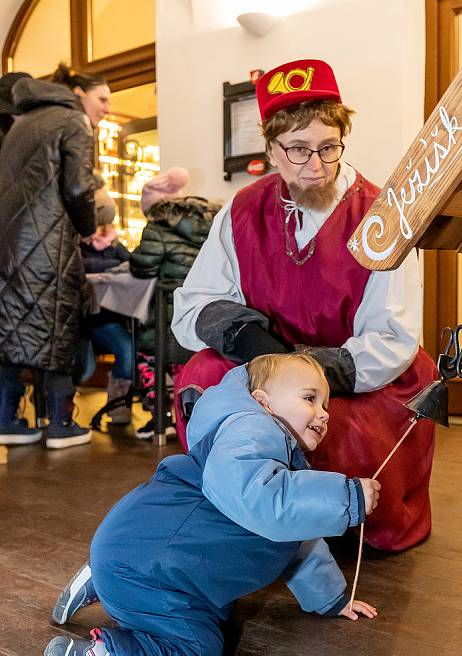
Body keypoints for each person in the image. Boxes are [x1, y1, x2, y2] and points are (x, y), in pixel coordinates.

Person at [31, 352, 380, 656]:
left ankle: (101, 577)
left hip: (138, 549)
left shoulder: (269, 451)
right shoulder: (252, 429)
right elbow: (261, 500)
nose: (323, 414)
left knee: (211, 603)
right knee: (197, 648)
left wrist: (330, 598)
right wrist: (346, 497)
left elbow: (297, 535)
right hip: (151, 568)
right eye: (310, 398)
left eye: (326, 405)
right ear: (264, 401)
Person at [171, 58, 438, 552]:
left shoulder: (381, 215)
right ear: (272, 148)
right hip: (265, 361)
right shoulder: (242, 210)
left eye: (328, 148)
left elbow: (392, 339)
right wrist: (257, 347)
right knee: (202, 376)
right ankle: (233, 507)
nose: (315, 166)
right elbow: (193, 306)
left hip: (352, 373)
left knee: (342, 428)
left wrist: (303, 376)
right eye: (297, 150)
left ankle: (327, 526)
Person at [0, 64, 110, 449]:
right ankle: (62, 425)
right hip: (50, 248)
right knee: (60, 333)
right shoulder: (72, 121)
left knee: (12, 334)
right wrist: (87, 227)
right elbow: (79, 188)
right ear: (76, 92)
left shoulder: (19, 125)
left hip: (9, 249)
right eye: (103, 99)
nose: (108, 108)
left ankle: (8, 421)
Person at [128, 167, 221, 438]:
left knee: (147, 354)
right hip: (204, 318)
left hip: (167, 318)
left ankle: (161, 417)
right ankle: (189, 420)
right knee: (184, 364)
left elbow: (142, 266)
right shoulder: (213, 220)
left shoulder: (158, 225)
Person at [80, 183, 134, 424]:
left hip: (113, 315)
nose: (103, 230)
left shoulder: (115, 245)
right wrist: (113, 268)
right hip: (88, 318)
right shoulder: (77, 246)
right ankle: (116, 404)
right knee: (123, 352)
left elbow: (134, 264)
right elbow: (82, 266)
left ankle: (117, 404)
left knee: (128, 351)